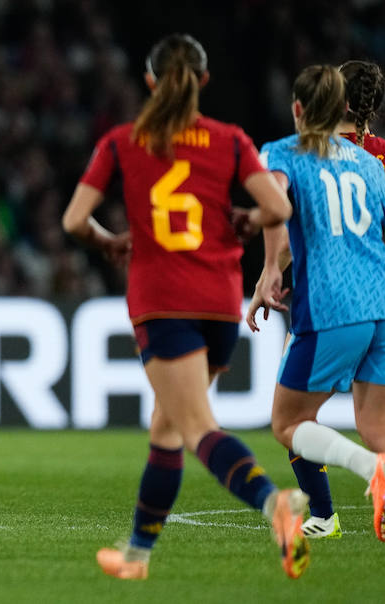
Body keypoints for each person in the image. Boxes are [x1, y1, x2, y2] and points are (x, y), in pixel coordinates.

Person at [61, 33, 308, 581]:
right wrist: (245, 220)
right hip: (220, 301)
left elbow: (74, 220)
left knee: (195, 427)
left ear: (149, 81)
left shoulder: (124, 141)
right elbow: (277, 206)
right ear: (203, 82)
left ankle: (275, 504)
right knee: (166, 424)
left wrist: (106, 241)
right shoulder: (229, 140)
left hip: (163, 298)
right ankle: (137, 555)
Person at [249, 65, 385, 556]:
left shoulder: (285, 152)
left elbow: (274, 206)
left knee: (288, 424)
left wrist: (270, 269)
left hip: (333, 305)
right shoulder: (370, 164)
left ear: (298, 110)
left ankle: (367, 475)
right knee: (378, 428)